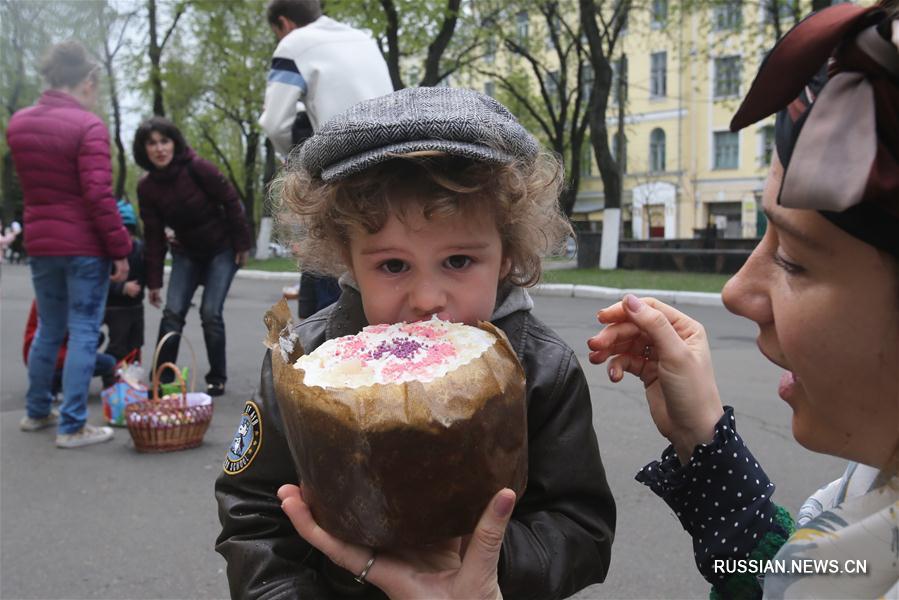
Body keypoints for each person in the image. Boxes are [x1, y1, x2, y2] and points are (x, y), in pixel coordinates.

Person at [215, 87, 617, 599]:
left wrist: (481, 565)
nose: (428, 299)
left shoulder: (541, 369)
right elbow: (253, 514)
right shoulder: (304, 363)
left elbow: (582, 527)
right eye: (393, 266)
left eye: (458, 262)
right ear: (348, 259)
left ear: (508, 256)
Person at [587, 4, 899, 598]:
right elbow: (781, 578)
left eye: (794, 259)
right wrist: (702, 436)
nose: (736, 293)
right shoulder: (874, 496)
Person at [6, 40, 130, 449]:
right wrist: (120, 248)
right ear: (89, 80)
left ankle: (38, 410)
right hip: (83, 247)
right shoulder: (87, 126)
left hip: (41, 242)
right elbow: (97, 195)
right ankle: (73, 425)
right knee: (81, 331)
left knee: (48, 328)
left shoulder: (19, 124)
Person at [260, 0, 394, 318]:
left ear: (284, 24)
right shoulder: (364, 39)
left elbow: (275, 122)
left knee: (330, 274)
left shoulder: (293, 44)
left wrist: (293, 162)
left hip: (341, 169)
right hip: (392, 165)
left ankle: (328, 356)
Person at [133, 117, 252, 397]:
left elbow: (231, 200)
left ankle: (217, 377)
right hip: (186, 253)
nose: (159, 148)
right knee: (172, 313)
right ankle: (160, 379)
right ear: (144, 150)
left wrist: (242, 245)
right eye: (152, 143)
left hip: (220, 249)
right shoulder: (147, 187)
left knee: (210, 312)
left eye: (165, 141)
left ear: (175, 143)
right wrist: (153, 282)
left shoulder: (197, 168)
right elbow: (153, 236)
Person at [23, 300, 117, 395]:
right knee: (108, 362)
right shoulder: (56, 300)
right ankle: (54, 381)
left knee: (97, 338)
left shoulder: (53, 295)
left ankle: (66, 377)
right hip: (47, 351)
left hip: (49, 349)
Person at [103, 199, 145, 363]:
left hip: (135, 305)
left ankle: (132, 375)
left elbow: (147, 274)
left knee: (135, 345)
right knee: (118, 345)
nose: (127, 238)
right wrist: (121, 287)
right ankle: (112, 375)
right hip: (113, 306)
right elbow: (98, 281)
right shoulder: (107, 254)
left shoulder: (140, 250)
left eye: (130, 232)